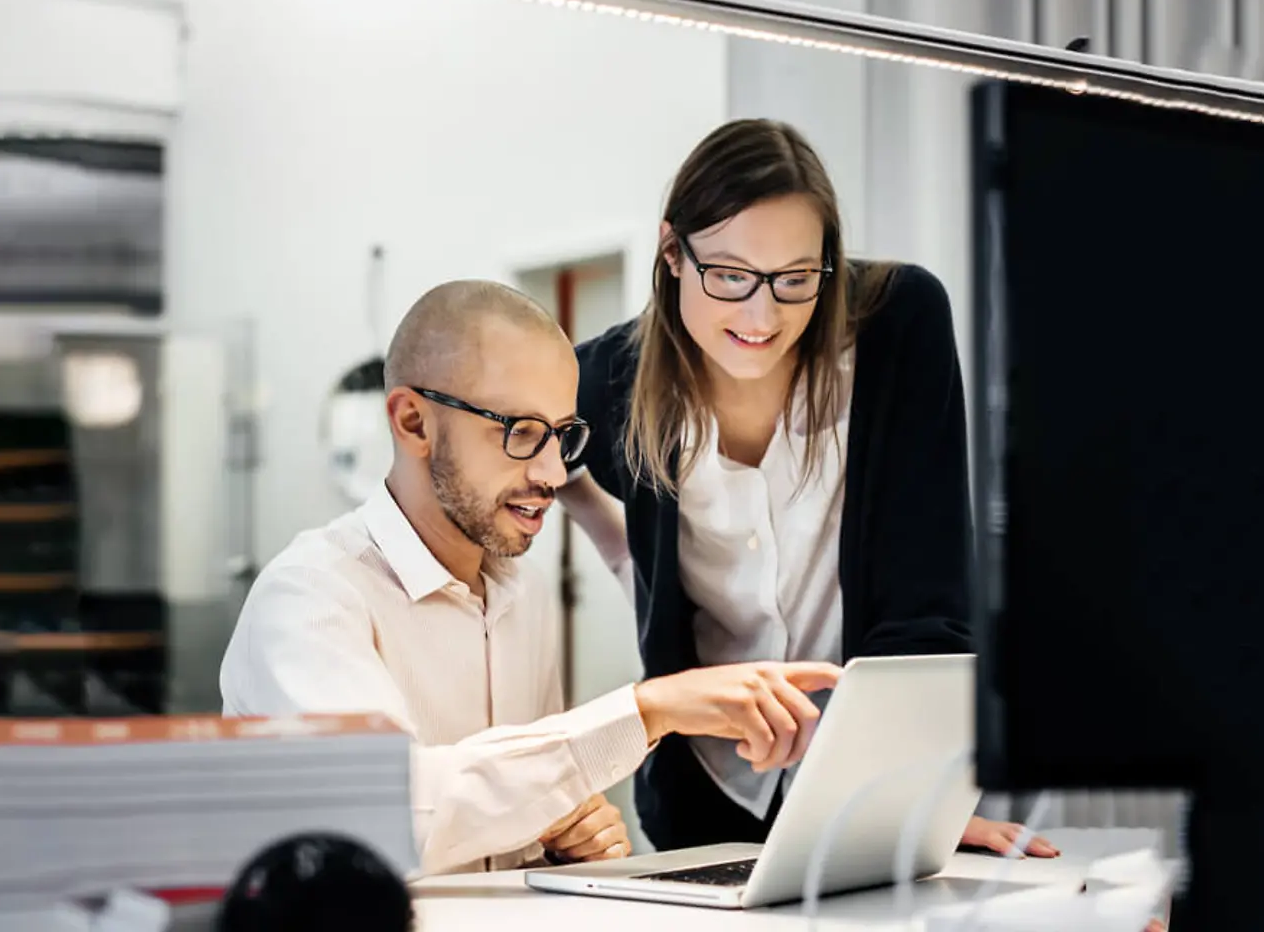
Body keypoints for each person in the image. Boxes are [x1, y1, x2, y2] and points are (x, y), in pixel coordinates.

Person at [219, 279, 842, 877]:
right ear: (413, 423)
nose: (551, 472)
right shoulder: (307, 599)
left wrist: (562, 839)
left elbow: (506, 819)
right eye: (520, 432)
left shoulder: (526, 597)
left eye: (562, 436)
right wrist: (647, 710)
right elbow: (388, 820)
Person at [560, 119, 1057, 861]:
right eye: (730, 276)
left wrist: (913, 803)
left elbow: (926, 601)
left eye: (796, 279)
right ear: (672, 252)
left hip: (865, 783)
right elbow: (530, 452)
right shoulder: (611, 377)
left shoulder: (897, 327)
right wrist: (627, 558)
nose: (763, 317)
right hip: (703, 794)